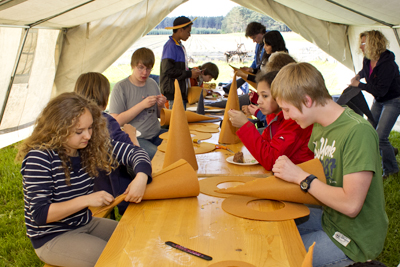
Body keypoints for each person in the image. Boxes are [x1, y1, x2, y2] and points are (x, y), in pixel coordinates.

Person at [271, 62, 388, 266]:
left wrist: (301, 177)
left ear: (307, 101)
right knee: (272, 229)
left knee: (281, 254)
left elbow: (351, 205)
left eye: (287, 109)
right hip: (330, 217)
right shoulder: (320, 125)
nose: (286, 116)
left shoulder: (357, 132)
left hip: (355, 237)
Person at [17, 93, 152, 267]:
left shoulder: (89, 146)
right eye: (79, 131)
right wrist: (86, 200)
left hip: (83, 222)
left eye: (90, 128)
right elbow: (40, 214)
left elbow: (136, 153)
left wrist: (141, 177)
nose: (88, 136)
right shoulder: (39, 158)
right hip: (52, 237)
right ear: (57, 129)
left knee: (137, 238)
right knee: (114, 258)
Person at [74, 72, 141, 215]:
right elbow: (134, 154)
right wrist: (131, 134)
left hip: (84, 187)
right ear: (105, 98)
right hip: (110, 187)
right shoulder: (106, 122)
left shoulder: (72, 122)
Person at [228, 71, 313, 171]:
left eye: (265, 96)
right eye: (258, 95)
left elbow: (270, 160)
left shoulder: (295, 120)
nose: (258, 101)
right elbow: (265, 146)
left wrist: (245, 126)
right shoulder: (273, 116)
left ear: (279, 95)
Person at [350, 30, 400, 178]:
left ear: (373, 43)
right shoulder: (368, 59)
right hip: (379, 100)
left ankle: (391, 170)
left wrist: (359, 85)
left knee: (380, 137)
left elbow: (380, 91)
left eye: (363, 43)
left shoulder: (388, 65)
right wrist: (359, 75)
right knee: (369, 130)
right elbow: (366, 72)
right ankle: (390, 150)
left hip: (393, 100)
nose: (361, 46)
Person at [109, 47, 167, 160]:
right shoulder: (120, 88)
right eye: (141, 68)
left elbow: (160, 115)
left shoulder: (152, 83)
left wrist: (161, 106)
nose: (145, 73)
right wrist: (142, 105)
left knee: (182, 142)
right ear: (132, 65)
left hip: (156, 133)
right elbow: (116, 121)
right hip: (136, 138)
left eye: (149, 69)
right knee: (158, 157)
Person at [160, 16, 201, 110]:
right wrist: (189, 74)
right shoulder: (171, 46)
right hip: (173, 93)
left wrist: (191, 70)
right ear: (180, 30)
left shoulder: (179, 46)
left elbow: (179, 68)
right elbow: (168, 70)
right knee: (176, 122)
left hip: (180, 92)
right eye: (188, 31)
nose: (189, 35)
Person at [223, 22, 266, 93]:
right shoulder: (259, 45)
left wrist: (247, 73)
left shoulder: (269, 42)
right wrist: (250, 69)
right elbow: (256, 61)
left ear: (261, 32)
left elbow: (265, 71)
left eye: (254, 37)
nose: (254, 41)